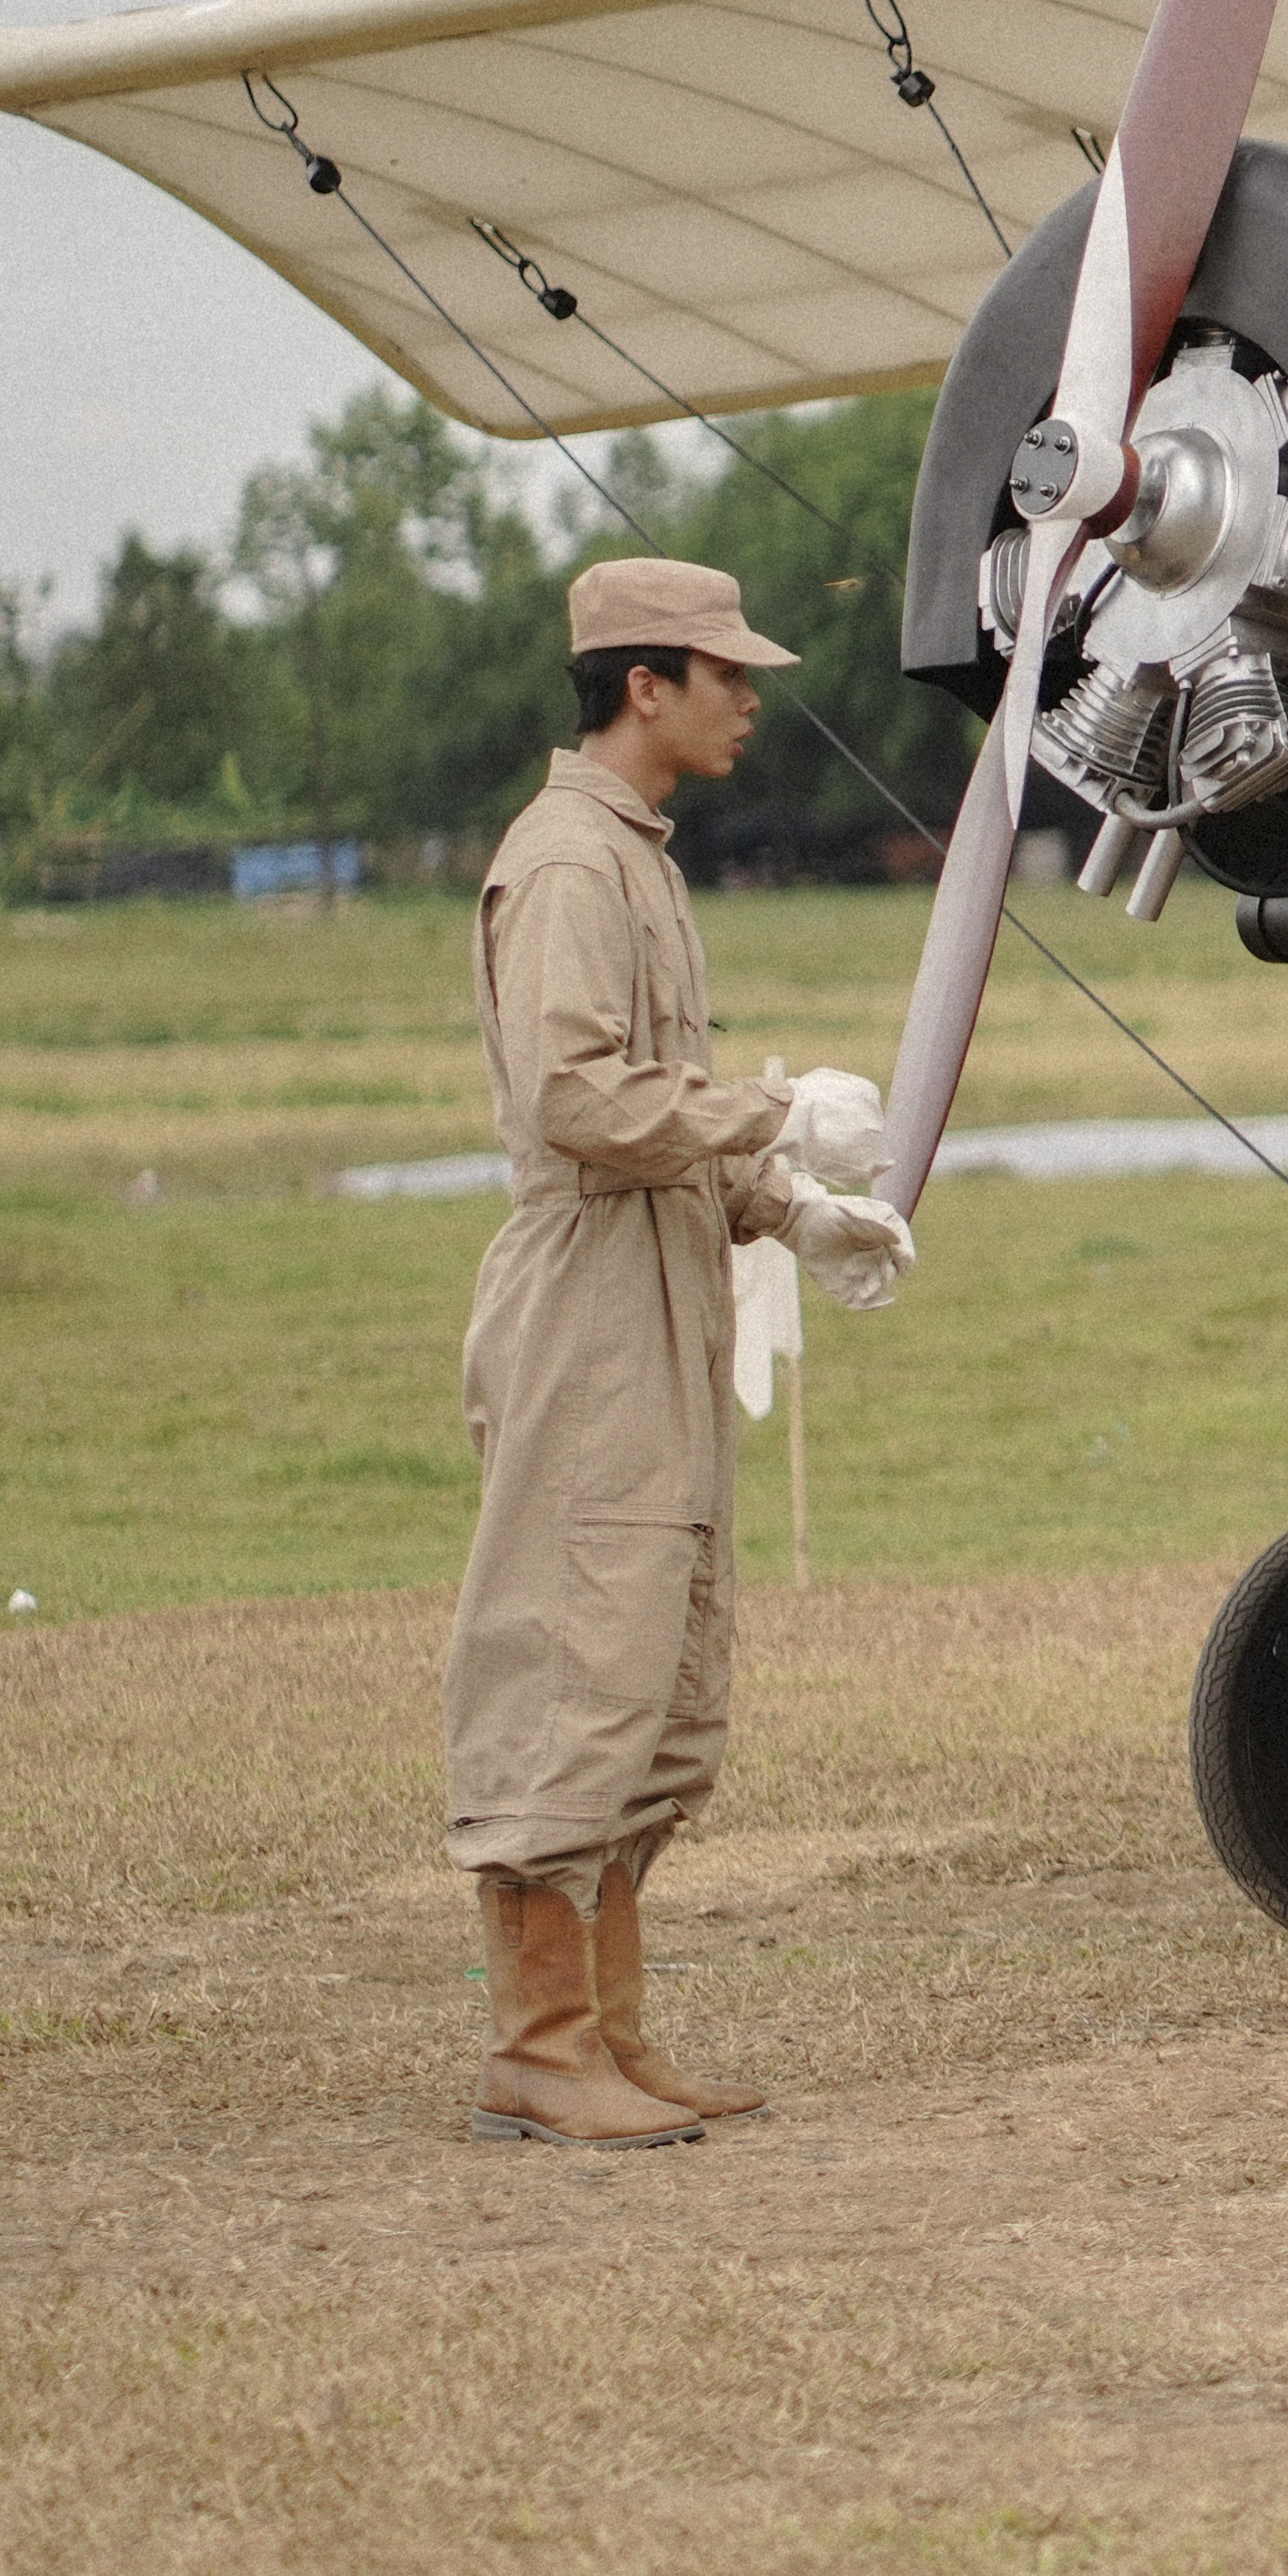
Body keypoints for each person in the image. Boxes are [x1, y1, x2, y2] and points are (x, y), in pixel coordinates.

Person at [444, 559, 915, 2144]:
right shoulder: (570, 865)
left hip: (659, 1280)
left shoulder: (636, 854)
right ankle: (539, 2037)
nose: (751, 698)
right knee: (575, 1647)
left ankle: (612, 2029)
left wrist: (792, 1207)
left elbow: (656, 1109)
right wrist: (772, 1110)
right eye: (725, 672)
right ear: (643, 683)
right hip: (587, 1299)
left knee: (658, 1664)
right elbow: (578, 1097)